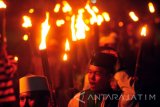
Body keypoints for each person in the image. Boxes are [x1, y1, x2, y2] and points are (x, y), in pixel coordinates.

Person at [68, 49, 139, 107]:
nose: (91, 77)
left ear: (109, 76)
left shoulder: (120, 100)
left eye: (97, 73)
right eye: (90, 72)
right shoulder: (78, 99)